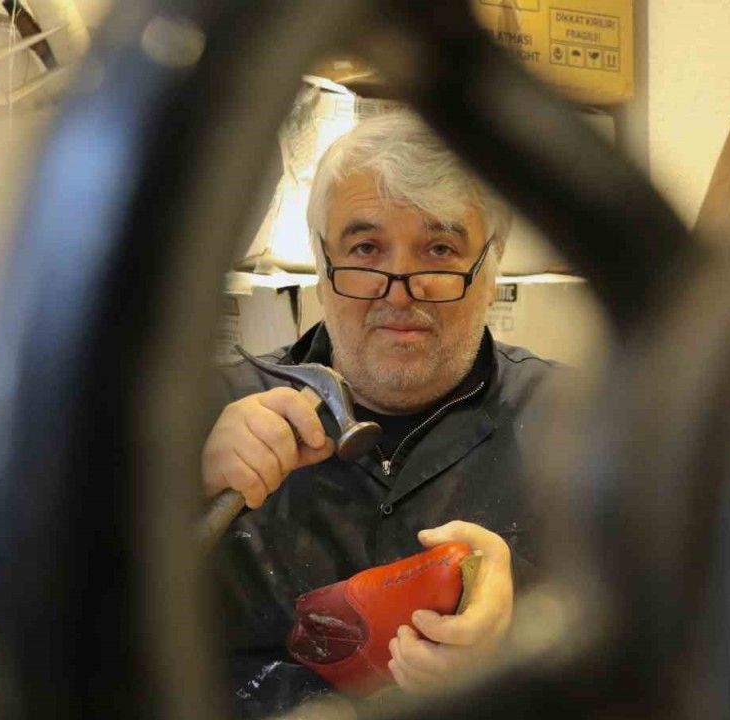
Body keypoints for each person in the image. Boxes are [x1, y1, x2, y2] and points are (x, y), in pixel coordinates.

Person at [206, 112, 560, 716]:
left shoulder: (580, 420)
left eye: (439, 250)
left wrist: (523, 619)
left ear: (491, 267)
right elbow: (82, 621)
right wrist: (177, 493)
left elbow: (669, 639)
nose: (399, 290)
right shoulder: (207, 413)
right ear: (322, 264)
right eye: (366, 249)